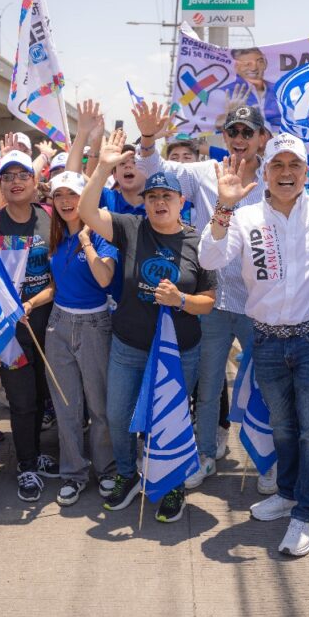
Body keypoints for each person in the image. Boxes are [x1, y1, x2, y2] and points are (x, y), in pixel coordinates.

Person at [198, 132, 309, 556]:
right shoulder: (245, 216)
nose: (286, 173)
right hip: (267, 341)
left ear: (307, 172)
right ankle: (288, 493)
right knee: (284, 428)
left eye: (294, 165)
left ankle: (306, 513)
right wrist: (224, 205)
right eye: (278, 166)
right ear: (266, 172)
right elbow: (209, 259)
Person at [79, 129, 217, 523]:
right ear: (145, 201)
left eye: (166, 197)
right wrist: (103, 168)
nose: (158, 202)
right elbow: (87, 213)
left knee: (169, 418)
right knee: (118, 417)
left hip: (180, 350)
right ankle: (128, 475)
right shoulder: (130, 228)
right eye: (152, 196)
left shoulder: (198, 241)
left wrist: (182, 301)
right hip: (129, 347)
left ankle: (171, 484)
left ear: (182, 202)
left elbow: (209, 302)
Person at [134, 101, 271, 491]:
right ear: (223, 137)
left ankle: (268, 462)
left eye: (248, 131)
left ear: (262, 137)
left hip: (258, 304)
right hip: (212, 299)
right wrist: (147, 139)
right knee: (208, 386)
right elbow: (154, 172)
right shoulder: (204, 172)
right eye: (234, 131)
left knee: (265, 385)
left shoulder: (273, 174)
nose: (240, 139)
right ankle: (206, 454)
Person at [0, 150, 61, 502]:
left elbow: (60, 279)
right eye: (8, 176)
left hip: (50, 324)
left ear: (35, 182)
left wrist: (30, 302)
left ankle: (38, 453)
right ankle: (26, 465)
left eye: (22, 175)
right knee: (22, 400)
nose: (15, 182)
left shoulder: (51, 217)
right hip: (9, 334)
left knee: (46, 396)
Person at [43, 171, 117, 506]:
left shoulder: (103, 235)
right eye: (59, 196)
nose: (66, 202)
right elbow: (57, 284)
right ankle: (73, 473)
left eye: (72, 194)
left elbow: (103, 278)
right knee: (66, 404)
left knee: (99, 405)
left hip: (95, 326)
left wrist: (86, 240)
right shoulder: (55, 235)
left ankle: (107, 470)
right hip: (58, 324)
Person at [229, 47, 280, 131]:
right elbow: (214, 123)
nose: (254, 68)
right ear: (236, 67)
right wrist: (231, 114)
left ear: (265, 64)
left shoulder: (280, 90)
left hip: (280, 141)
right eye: (247, 64)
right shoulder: (224, 92)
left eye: (259, 62)